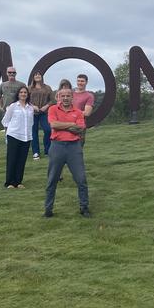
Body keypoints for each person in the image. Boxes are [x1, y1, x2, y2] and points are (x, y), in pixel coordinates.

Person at [44, 88, 91, 218]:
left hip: (74, 148)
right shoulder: (53, 109)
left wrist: (62, 125)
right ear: (58, 97)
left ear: (72, 98)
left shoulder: (78, 112)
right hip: (57, 146)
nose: (65, 98)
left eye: (68, 96)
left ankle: (84, 207)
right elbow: (53, 125)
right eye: (62, 96)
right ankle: (48, 210)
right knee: (52, 179)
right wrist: (71, 124)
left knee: (81, 179)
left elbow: (80, 129)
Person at [1, 86, 34, 188]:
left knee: (21, 160)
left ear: (27, 94)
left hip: (26, 137)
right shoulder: (13, 106)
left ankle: (18, 182)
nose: (23, 94)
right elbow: (5, 121)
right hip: (14, 135)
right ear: (18, 94)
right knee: (12, 159)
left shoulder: (30, 108)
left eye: (25, 92)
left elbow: (31, 122)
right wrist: (10, 130)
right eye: (21, 92)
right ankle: (9, 182)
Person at [29, 71, 53, 160]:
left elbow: (52, 100)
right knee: (33, 133)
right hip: (32, 113)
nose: (37, 76)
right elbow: (26, 100)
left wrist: (46, 106)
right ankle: (36, 152)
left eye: (39, 74)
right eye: (36, 75)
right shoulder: (30, 88)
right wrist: (33, 106)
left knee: (48, 130)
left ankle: (47, 150)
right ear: (33, 77)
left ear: (42, 77)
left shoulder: (47, 88)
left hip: (44, 112)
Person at [73, 74, 94, 146]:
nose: (80, 83)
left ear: (86, 82)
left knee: (78, 148)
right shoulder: (70, 93)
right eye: (78, 81)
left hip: (79, 125)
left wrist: (71, 113)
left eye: (82, 81)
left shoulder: (89, 96)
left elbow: (87, 113)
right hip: (66, 124)